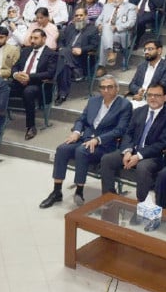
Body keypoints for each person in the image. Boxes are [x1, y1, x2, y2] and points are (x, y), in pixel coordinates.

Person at [41, 75, 132, 207]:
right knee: (62, 149)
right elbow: (81, 120)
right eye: (103, 87)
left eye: (109, 87)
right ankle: (56, 191)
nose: (106, 90)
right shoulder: (93, 101)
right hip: (85, 139)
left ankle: (79, 191)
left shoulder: (124, 105)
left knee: (82, 151)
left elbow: (120, 130)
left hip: (105, 145)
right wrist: (76, 132)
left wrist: (98, 140)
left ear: (117, 89)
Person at [98, 84, 166, 202]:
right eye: (150, 95)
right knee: (107, 159)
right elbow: (128, 133)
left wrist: (139, 156)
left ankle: (141, 205)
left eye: (157, 95)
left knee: (143, 167)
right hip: (133, 150)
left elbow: (164, 143)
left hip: (155, 156)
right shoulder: (139, 111)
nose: (152, 98)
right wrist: (127, 151)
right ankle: (109, 198)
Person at [10, 29, 57, 140]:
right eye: (31, 38)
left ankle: (31, 126)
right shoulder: (26, 51)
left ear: (44, 39)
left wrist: (30, 77)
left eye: (36, 38)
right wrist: (16, 74)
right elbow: (15, 66)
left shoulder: (51, 54)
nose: (32, 41)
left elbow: (50, 73)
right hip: (20, 81)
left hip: (39, 85)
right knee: (2, 87)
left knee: (28, 92)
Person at [54, 7, 100, 104]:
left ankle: (60, 93)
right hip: (67, 56)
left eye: (81, 15)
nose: (79, 17)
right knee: (64, 59)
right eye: (76, 15)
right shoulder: (70, 27)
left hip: (82, 58)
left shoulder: (93, 29)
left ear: (86, 16)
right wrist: (61, 47)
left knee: (62, 58)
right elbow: (61, 40)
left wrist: (82, 50)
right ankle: (62, 94)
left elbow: (94, 46)